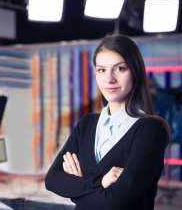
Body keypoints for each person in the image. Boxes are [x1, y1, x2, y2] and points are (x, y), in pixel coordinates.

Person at [45, 35, 169, 210]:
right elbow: (52, 180)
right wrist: (100, 182)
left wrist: (76, 188)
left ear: (136, 72)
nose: (109, 79)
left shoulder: (150, 129)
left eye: (120, 68)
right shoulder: (86, 124)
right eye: (101, 70)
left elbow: (114, 203)